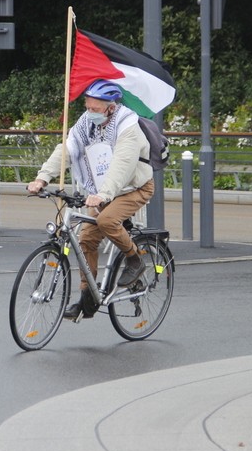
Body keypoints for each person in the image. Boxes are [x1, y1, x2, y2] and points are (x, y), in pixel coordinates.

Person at [26, 79, 155, 319]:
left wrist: (104, 195)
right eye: (87, 107)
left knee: (106, 221)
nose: (90, 112)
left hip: (134, 187)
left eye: (95, 109)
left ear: (111, 107)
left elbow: (122, 165)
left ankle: (135, 259)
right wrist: (42, 178)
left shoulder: (127, 125)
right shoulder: (87, 123)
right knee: (85, 238)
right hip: (103, 191)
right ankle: (88, 299)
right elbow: (66, 149)